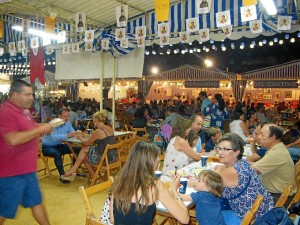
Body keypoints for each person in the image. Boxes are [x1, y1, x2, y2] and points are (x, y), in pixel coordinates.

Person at [0, 80, 52, 225]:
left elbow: (29, 127)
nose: (31, 98)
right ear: (15, 94)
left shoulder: (23, 111)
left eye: (32, 94)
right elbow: (13, 139)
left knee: (36, 203)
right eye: (27, 94)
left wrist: (42, 126)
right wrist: (40, 129)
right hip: (11, 173)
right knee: (3, 211)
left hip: (27, 170)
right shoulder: (6, 112)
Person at [109, 141, 190, 225]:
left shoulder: (119, 182)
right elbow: (185, 219)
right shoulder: (155, 186)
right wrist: (174, 190)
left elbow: (112, 219)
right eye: (157, 163)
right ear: (151, 163)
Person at [214, 133, 274, 222]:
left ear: (237, 152)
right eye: (219, 148)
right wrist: (219, 170)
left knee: (205, 207)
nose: (220, 152)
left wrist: (217, 171)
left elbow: (207, 183)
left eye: (225, 149)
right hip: (264, 210)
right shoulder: (242, 163)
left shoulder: (232, 171)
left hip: (250, 219)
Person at [63, 110, 116, 181]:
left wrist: (80, 137)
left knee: (84, 154)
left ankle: (94, 178)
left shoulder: (98, 131)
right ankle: (74, 170)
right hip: (112, 156)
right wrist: (87, 135)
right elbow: (99, 137)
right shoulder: (109, 128)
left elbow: (86, 143)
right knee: (85, 150)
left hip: (104, 158)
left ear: (96, 120)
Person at [252, 124, 297, 204]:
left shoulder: (275, 154)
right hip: (278, 193)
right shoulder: (278, 148)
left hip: (278, 198)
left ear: (272, 137)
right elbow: (258, 165)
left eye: (262, 135)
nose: (259, 137)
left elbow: (252, 170)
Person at [42, 108, 81, 184]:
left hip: (59, 145)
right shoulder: (53, 124)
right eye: (65, 116)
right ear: (59, 116)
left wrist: (76, 133)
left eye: (68, 116)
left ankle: (73, 169)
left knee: (77, 148)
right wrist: (67, 135)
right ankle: (63, 176)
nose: (67, 118)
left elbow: (72, 132)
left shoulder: (67, 123)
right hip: (47, 147)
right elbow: (54, 137)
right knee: (57, 153)